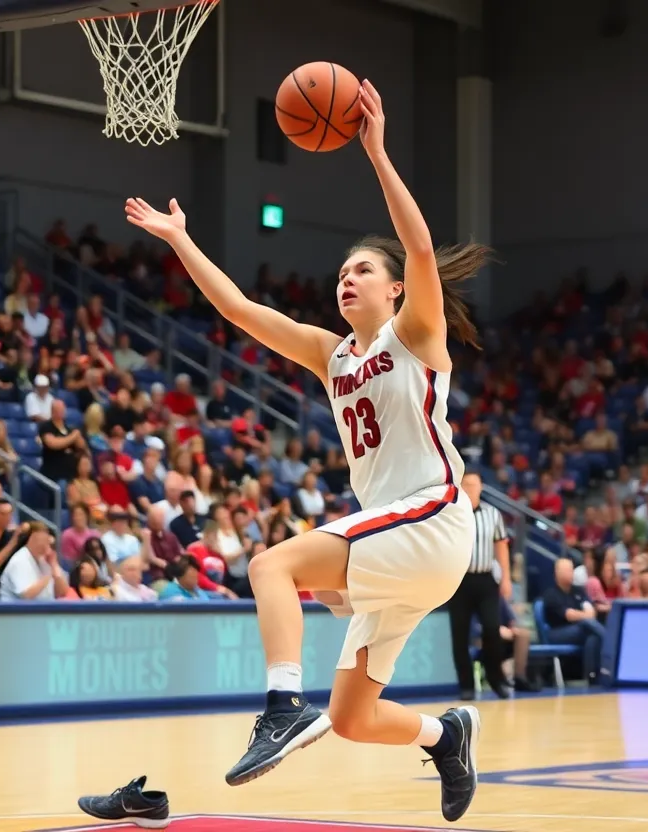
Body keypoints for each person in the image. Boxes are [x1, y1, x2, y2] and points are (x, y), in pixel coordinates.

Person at [95, 80, 483, 824]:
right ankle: (446, 735)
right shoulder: (330, 355)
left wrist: (373, 150)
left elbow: (422, 244)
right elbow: (240, 309)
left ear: (397, 289)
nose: (347, 278)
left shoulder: (417, 335)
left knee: (270, 564)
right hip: (402, 544)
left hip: (432, 520)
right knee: (354, 718)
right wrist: (181, 241)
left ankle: (280, 705)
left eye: (362, 270)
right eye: (340, 272)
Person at [447, 470, 512, 699]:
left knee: (492, 630)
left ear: (481, 487)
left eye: (473, 484)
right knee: (460, 635)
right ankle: (466, 685)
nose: (470, 488)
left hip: (485, 579)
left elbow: (501, 546)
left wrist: (505, 577)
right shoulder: (452, 513)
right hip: (459, 581)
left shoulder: (493, 514)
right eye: (465, 484)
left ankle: (497, 681)